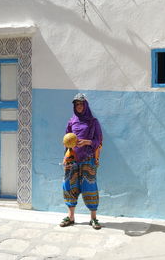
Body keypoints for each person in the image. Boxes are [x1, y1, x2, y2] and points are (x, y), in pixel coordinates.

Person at [60, 93, 103, 230]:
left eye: (81, 104)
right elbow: (66, 140)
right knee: (69, 185)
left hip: (88, 159)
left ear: (85, 105)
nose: (79, 106)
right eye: (76, 104)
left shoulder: (93, 122)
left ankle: (93, 218)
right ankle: (71, 217)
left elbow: (99, 141)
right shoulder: (71, 121)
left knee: (89, 187)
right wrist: (65, 157)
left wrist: (87, 142)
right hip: (72, 159)